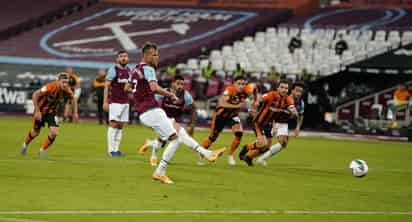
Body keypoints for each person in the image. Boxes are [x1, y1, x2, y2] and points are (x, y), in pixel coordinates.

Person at [126, 42, 225, 184]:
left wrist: (138, 93)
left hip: (145, 112)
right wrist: (170, 94)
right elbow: (154, 87)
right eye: (155, 54)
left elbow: (127, 88)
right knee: (175, 139)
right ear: (147, 55)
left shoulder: (135, 69)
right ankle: (160, 172)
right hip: (152, 110)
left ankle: (207, 153)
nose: (157, 57)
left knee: (170, 137)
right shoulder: (148, 68)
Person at [137, 74, 202, 166]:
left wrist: (192, 126)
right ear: (172, 84)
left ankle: (150, 145)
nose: (180, 86)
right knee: (163, 140)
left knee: (166, 139)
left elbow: (194, 109)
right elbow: (151, 100)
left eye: (182, 84)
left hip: (174, 120)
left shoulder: (186, 95)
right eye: (178, 83)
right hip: (162, 120)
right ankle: (153, 157)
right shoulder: (164, 92)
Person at [239, 80, 298, 166]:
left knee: (267, 147)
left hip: (269, 124)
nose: (284, 90)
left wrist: (294, 113)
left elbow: (293, 109)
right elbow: (258, 101)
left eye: (286, 88)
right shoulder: (270, 95)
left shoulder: (288, 99)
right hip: (259, 122)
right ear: (277, 88)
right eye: (282, 87)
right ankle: (246, 148)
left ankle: (249, 158)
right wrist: (253, 108)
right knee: (262, 143)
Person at [20, 73, 78, 157]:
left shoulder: (67, 89)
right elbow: (35, 95)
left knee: (54, 132)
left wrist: (75, 113)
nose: (65, 84)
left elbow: (73, 99)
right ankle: (25, 144)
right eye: (63, 82)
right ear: (58, 81)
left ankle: (42, 150)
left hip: (51, 112)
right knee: (35, 132)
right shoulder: (49, 87)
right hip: (40, 111)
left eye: (66, 82)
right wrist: (36, 111)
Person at [200, 75, 255, 166]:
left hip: (233, 115)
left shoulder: (247, 90)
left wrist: (254, 103)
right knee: (212, 138)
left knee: (239, 133)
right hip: (220, 116)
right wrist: (236, 106)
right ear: (234, 84)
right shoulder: (229, 90)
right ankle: (201, 154)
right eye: (239, 84)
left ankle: (230, 156)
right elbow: (222, 103)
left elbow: (254, 90)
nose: (241, 86)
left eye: (243, 84)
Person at [103, 51, 131, 157]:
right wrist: (105, 102)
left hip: (125, 102)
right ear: (117, 59)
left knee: (120, 126)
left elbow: (128, 87)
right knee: (114, 124)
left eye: (125, 56)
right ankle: (110, 150)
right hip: (115, 102)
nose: (124, 58)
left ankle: (116, 150)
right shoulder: (113, 69)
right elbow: (106, 86)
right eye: (121, 56)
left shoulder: (129, 71)